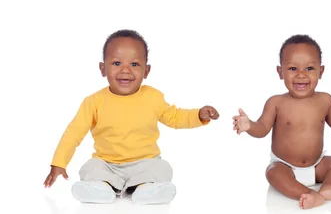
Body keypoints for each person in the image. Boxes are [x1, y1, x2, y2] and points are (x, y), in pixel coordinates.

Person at [42, 29, 220, 205]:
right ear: (102, 68)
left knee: (162, 168)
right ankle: (100, 188)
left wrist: (198, 115)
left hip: (145, 162)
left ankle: (146, 189)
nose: (125, 71)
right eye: (117, 63)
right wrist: (59, 162)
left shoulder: (153, 97)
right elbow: (73, 133)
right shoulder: (93, 102)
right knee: (90, 168)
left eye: (134, 64)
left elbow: (175, 117)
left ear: (146, 71)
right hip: (107, 164)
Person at [232, 34, 331, 209]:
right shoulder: (276, 102)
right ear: (280, 72)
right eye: (292, 69)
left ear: (321, 71)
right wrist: (249, 125)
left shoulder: (325, 100)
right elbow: (263, 129)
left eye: (309, 68)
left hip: (316, 165)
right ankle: (310, 195)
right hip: (285, 166)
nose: (301, 75)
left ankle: (328, 188)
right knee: (272, 172)